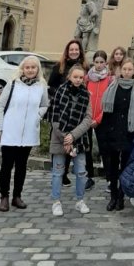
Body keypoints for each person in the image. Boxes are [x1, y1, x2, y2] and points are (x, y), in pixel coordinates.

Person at [0, 55, 48, 211]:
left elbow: (45, 104)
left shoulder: (41, 86)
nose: (30, 70)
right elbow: (0, 106)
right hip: (10, 131)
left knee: (21, 166)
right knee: (6, 166)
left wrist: (38, 116)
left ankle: (17, 196)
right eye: (27, 67)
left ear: (37, 69)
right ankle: (4, 196)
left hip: (28, 133)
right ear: (22, 69)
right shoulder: (13, 84)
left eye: (33, 67)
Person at [101, 58, 134, 211]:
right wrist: (107, 132)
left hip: (129, 133)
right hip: (114, 132)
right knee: (113, 166)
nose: (127, 72)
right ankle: (113, 196)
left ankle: (121, 196)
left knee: (125, 166)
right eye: (124, 69)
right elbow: (107, 112)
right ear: (120, 70)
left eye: (130, 69)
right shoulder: (113, 87)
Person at [48, 64, 92, 217]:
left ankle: (80, 200)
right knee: (58, 172)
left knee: (81, 172)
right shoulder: (60, 92)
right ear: (69, 77)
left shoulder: (86, 95)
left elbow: (88, 119)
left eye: (81, 77)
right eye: (75, 77)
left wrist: (72, 136)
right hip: (59, 138)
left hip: (79, 139)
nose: (78, 80)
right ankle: (56, 202)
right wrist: (65, 138)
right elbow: (54, 117)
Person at [48, 39, 88, 187]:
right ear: (67, 51)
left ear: (80, 51)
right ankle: (57, 172)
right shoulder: (59, 67)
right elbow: (51, 85)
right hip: (61, 110)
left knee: (73, 142)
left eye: (76, 49)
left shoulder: (85, 67)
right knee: (59, 143)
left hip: (77, 111)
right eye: (71, 49)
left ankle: (64, 173)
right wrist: (60, 95)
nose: (74, 52)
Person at [85, 50, 112, 191]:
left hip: (102, 119)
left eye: (102, 62)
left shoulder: (109, 80)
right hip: (87, 119)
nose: (99, 65)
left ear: (106, 63)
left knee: (105, 150)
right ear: (93, 63)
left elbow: (109, 103)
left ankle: (109, 179)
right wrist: (88, 118)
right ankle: (89, 177)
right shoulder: (87, 79)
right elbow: (84, 99)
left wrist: (98, 119)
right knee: (87, 149)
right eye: (97, 62)